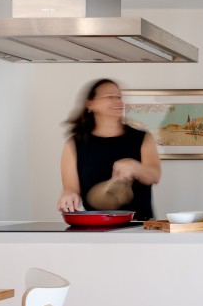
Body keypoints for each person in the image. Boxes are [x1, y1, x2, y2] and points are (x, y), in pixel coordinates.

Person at [57, 78, 161, 220]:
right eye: (110, 97)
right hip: (95, 229)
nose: (118, 101)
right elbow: (71, 188)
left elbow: (154, 175)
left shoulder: (142, 138)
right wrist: (69, 195)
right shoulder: (74, 144)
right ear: (90, 103)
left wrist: (135, 167)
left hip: (140, 227)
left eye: (119, 97)